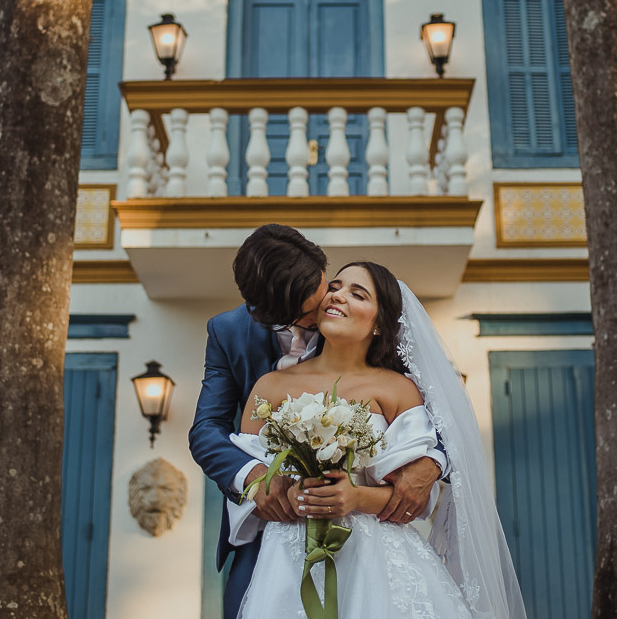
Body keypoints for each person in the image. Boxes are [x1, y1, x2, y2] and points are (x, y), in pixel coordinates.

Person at [226, 261, 528, 619]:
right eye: (335, 287)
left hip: (375, 563)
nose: (337, 295)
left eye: (357, 293)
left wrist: (355, 496)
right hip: (286, 559)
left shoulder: (396, 390)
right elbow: (248, 479)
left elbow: (413, 498)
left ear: (380, 322)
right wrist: (289, 494)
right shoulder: (270, 387)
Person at [189, 226, 445, 619]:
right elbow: (207, 432)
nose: (329, 303)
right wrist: (260, 479)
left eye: (329, 288)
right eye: (309, 311)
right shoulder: (233, 339)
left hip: (374, 549)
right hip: (274, 538)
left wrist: (432, 462)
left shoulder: (386, 357)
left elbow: (442, 409)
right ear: (270, 314)